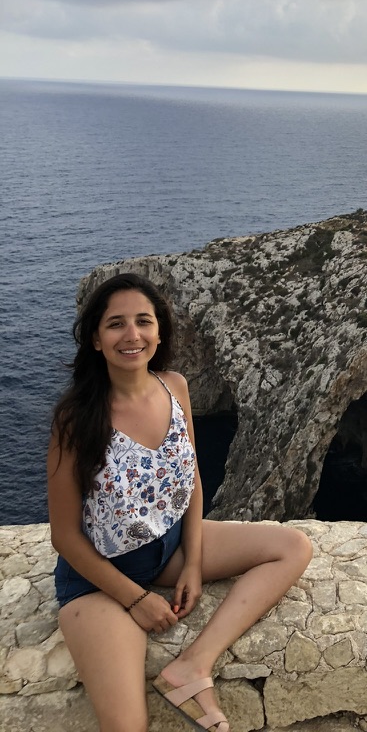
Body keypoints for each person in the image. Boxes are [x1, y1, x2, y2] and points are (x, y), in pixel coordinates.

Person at [48, 272, 313, 732]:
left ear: (159, 331)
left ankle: (193, 665)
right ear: (95, 338)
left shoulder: (175, 387)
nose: (132, 335)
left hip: (167, 550)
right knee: (128, 726)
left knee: (293, 546)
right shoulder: (76, 419)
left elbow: (189, 478)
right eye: (116, 324)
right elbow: (65, 537)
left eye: (143, 321)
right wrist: (135, 600)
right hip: (100, 580)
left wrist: (191, 563)